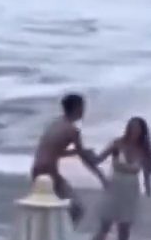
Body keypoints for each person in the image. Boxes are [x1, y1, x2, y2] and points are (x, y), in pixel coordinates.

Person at [31, 93, 107, 225]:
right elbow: (86, 160)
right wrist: (102, 178)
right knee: (77, 210)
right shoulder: (72, 130)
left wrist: (76, 152)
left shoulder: (55, 123)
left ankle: (52, 236)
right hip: (48, 172)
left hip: (37, 169)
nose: (84, 111)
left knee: (51, 208)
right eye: (83, 107)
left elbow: (54, 151)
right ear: (77, 108)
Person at [89, 116, 151, 240]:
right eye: (132, 127)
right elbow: (98, 160)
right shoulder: (118, 144)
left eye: (137, 128)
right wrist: (87, 155)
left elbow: (147, 173)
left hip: (131, 189)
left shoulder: (143, 150)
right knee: (105, 223)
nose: (134, 131)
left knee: (125, 226)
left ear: (142, 131)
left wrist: (148, 191)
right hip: (115, 186)